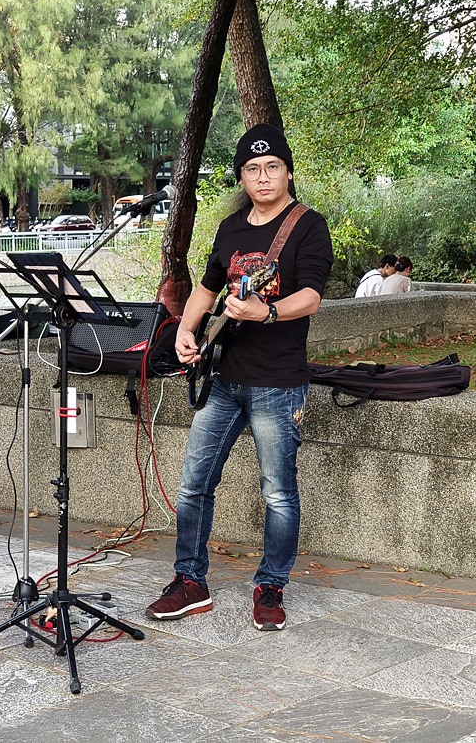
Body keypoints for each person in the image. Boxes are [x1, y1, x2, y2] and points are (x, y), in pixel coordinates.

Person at [146, 124, 333, 632]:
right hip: (223, 377)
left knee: (277, 492)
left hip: (278, 382)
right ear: (242, 177)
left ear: (288, 171)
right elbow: (207, 289)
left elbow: (311, 297)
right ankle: (191, 582)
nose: (263, 177)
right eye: (252, 169)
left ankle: (270, 586)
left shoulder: (308, 226)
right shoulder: (230, 229)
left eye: (272, 166)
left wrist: (265, 313)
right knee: (193, 485)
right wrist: (185, 331)